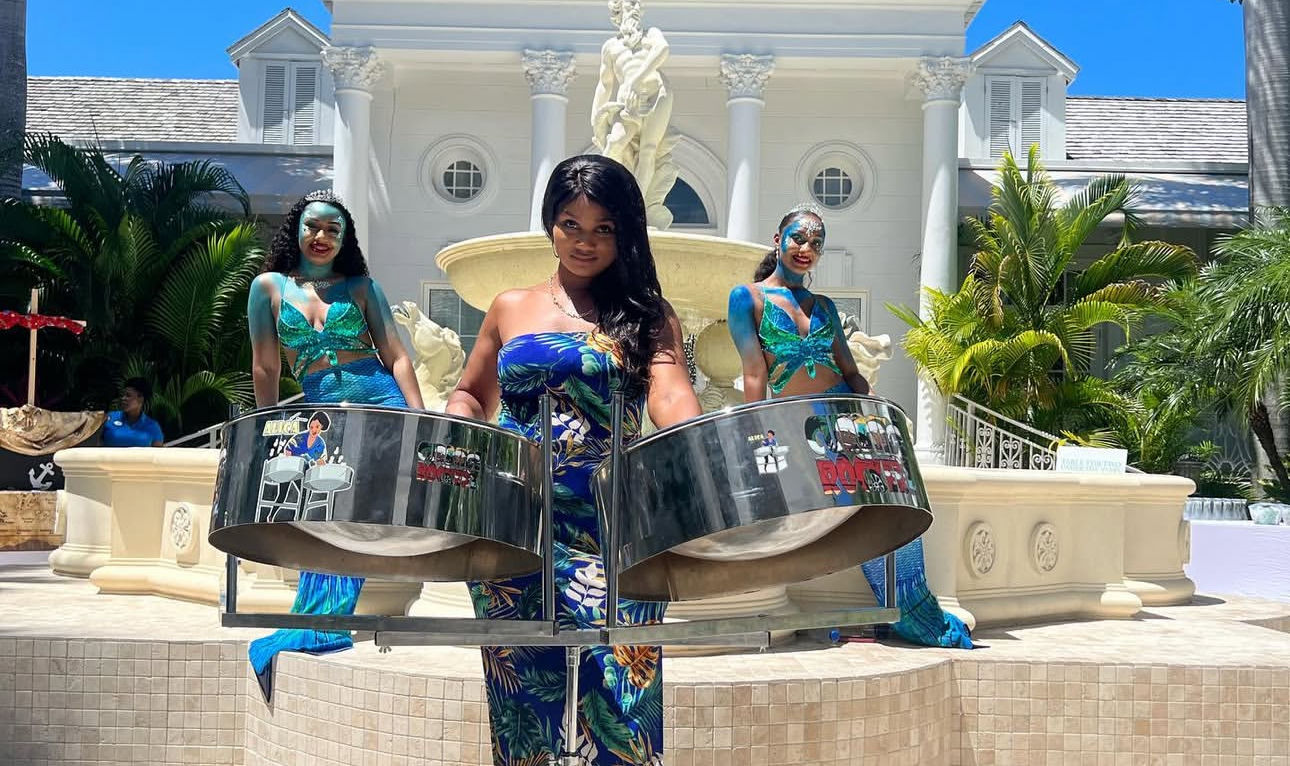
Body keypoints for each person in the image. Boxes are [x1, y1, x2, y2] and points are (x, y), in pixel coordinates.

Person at [446, 154, 701, 765]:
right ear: (550, 225)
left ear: (626, 232)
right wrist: (457, 421)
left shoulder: (647, 315)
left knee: (621, 706)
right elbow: (472, 392)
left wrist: (701, 444)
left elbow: (669, 395)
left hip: (613, 527)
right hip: (514, 523)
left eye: (603, 228)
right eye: (570, 225)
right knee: (524, 707)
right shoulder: (510, 306)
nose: (585, 242)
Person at [727, 203, 972, 650]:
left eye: (816, 243)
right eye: (799, 238)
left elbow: (849, 368)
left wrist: (871, 406)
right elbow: (754, 374)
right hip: (798, 429)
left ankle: (911, 609)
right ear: (778, 239)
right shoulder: (748, 298)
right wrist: (757, 436)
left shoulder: (823, 306)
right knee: (854, 514)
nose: (806, 248)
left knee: (888, 508)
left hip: (847, 422)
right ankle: (901, 611)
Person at [244, 189, 424, 698]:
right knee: (325, 514)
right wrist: (264, 427)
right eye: (314, 227)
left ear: (344, 240)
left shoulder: (362, 287)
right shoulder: (268, 288)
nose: (322, 237)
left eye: (333, 231)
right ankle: (314, 621)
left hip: (379, 404)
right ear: (296, 229)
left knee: (358, 514)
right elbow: (266, 365)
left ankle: (327, 623)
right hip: (320, 415)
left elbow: (398, 355)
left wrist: (418, 417)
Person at [101, 377, 165, 447]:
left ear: (141, 398)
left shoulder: (153, 426)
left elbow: (158, 455)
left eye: (128, 395)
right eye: (123, 395)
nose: (123, 398)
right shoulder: (109, 418)